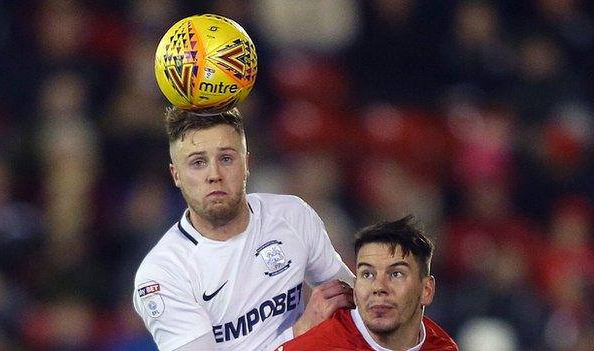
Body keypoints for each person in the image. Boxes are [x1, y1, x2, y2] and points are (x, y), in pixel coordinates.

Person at [132, 107, 355, 351]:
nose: (214, 175)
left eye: (226, 158)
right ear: (176, 175)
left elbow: (348, 300)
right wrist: (301, 333)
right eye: (198, 163)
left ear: (247, 163)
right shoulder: (163, 274)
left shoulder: (292, 215)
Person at [278, 215, 458, 350]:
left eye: (396, 274)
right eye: (368, 274)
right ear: (355, 289)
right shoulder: (318, 346)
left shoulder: (442, 346)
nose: (379, 287)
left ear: (426, 290)